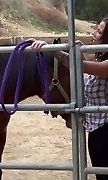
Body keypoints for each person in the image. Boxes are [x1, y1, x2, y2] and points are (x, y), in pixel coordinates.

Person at [30, 17, 108, 180]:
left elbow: (80, 66)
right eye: (96, 28)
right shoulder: (100, 60)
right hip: (96, 133)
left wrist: (51, 49)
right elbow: (87, 73)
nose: (94, 33)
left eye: (99, 32)